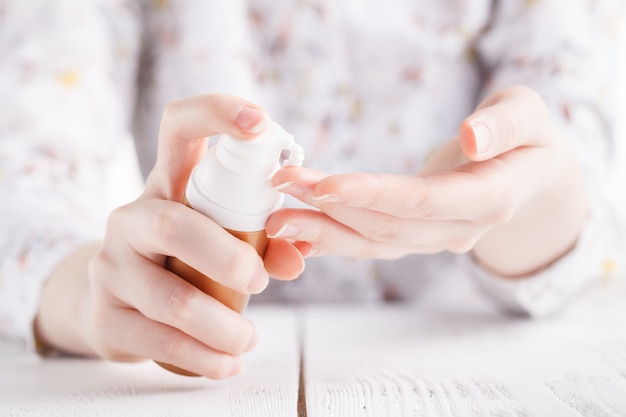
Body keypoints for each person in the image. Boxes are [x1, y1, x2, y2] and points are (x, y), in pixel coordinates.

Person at [0, 0, 623, 379]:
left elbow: (581, 168)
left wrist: (519, 192)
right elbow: (23, 180)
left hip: (470, 350)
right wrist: (90, 296)